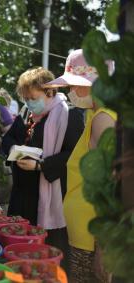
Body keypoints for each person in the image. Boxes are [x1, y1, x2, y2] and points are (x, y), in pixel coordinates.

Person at [44, 49, 116, 283]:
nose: (71, 91)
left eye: (77, 85)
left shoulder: (103, 119)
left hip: (91, 239)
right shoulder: (96, 116)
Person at [2, 67, 84, 271]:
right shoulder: (26, 113)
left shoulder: (68, 115)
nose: (29, 102)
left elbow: (73, 155)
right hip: (22, 194)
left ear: (50, 92)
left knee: (45, 250)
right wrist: (15, 151)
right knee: (20, 245)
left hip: (48, 194)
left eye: (32, 97)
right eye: (25, 98)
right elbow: (9, 138)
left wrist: (40, 165)